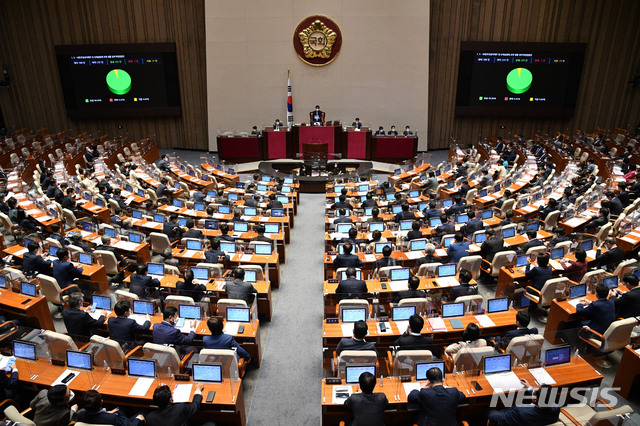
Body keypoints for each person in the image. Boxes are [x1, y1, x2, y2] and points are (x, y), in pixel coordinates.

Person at [488, 383, 560, 425]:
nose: (535, 389)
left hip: (510, 418)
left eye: (537, 389)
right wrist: (529, 387)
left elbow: (497, 418)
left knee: (489, 411)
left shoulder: (520, 412)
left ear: (535, 399)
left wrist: (491, 417)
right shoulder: (555, 408)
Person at [77, 390, 144, 425]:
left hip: (104, 417)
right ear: (102, 402)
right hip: (124, 421)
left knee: (120, 408)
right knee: (144, 411)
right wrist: (139, 418)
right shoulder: (112, 418)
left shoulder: (80, 415)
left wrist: (105, 413)